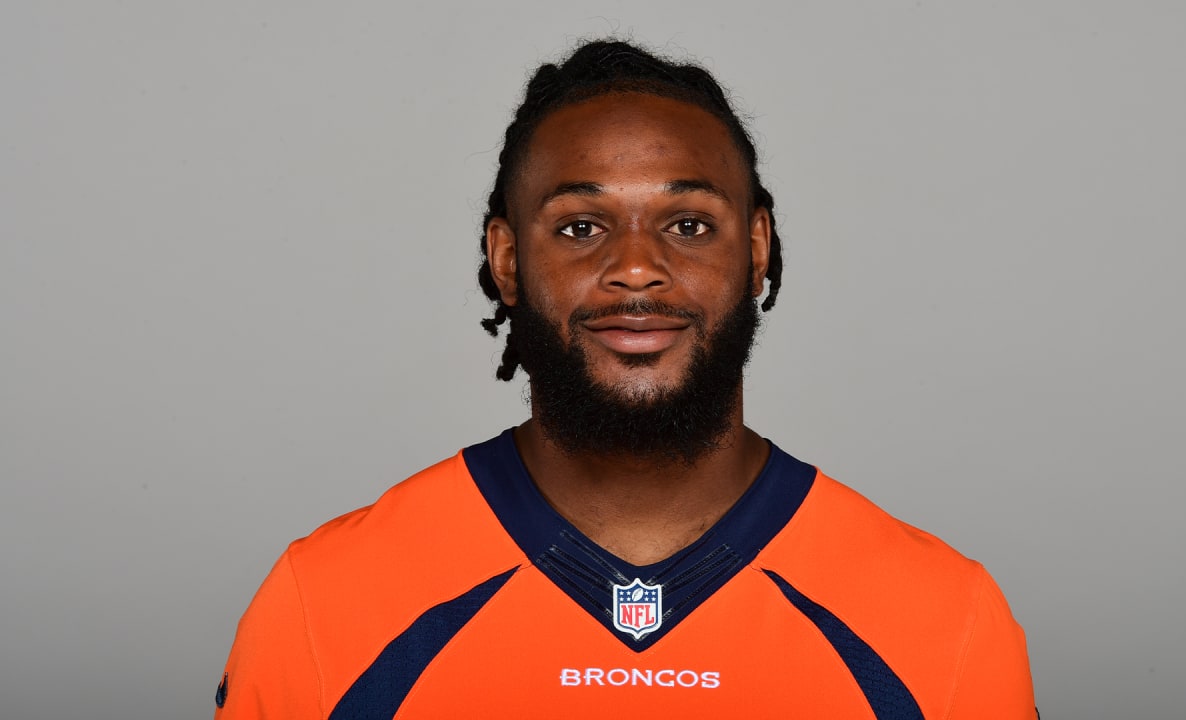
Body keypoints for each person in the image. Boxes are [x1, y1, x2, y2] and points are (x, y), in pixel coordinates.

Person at [215, 39, 1037, 719]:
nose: (637, 268)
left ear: (755, 250)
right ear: (507, 260)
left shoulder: (944, 618)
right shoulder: (322, 604)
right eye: (580, 226)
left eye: (687, 224)